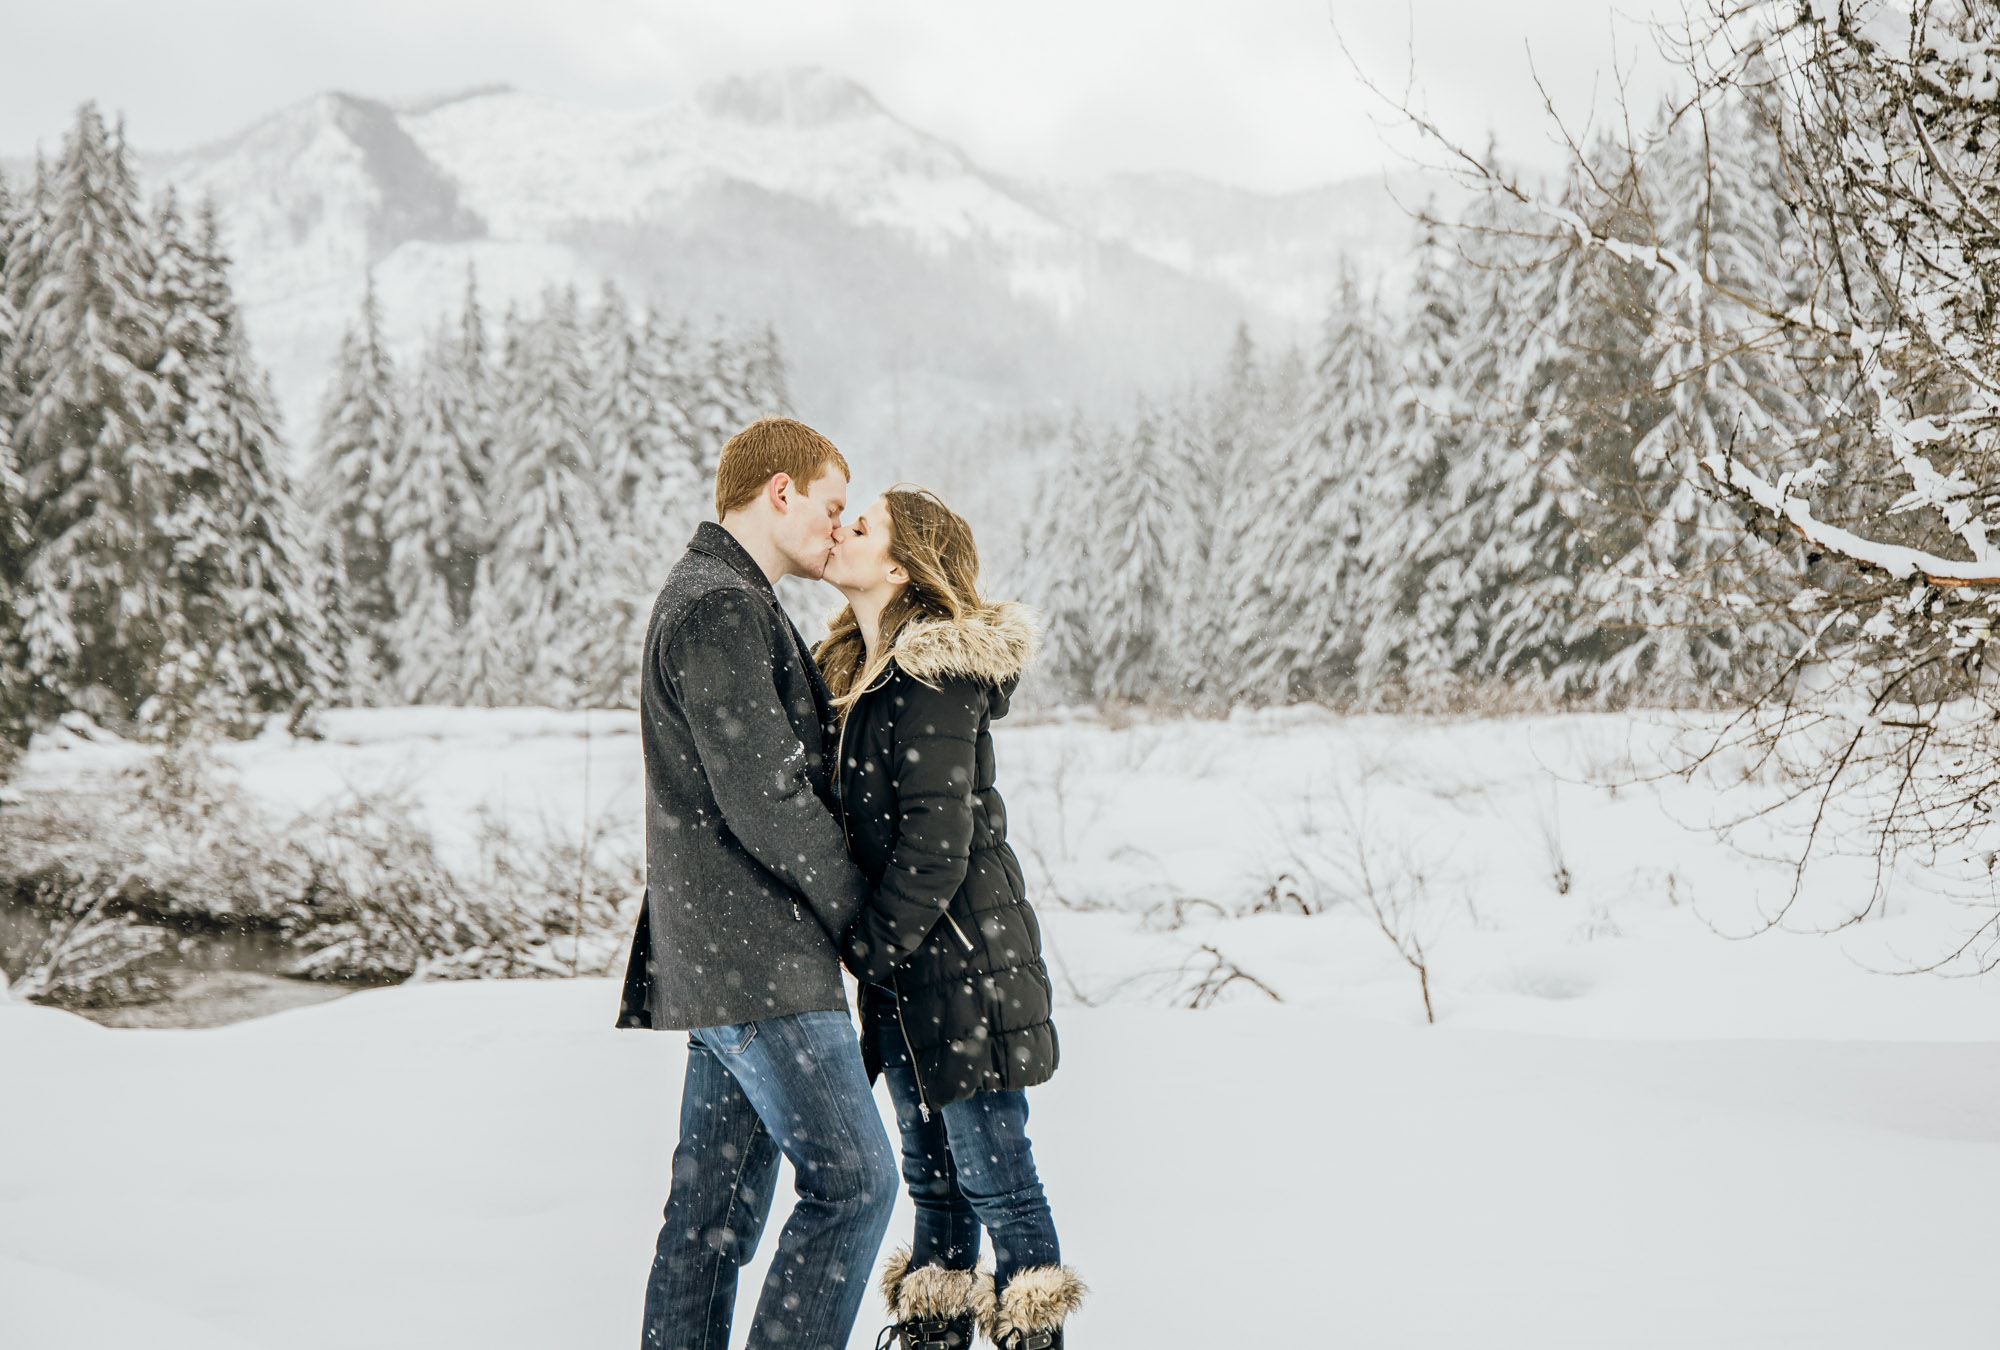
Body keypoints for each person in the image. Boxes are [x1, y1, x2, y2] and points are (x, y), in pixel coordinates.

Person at [617, 418, 897, 1350]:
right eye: (828, 507)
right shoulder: (719, 607)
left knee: (711, 1219)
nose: (835, 528)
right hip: (758, 958)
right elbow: (767, 797)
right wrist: (866, 915)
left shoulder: (725, 595)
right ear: (778, 493)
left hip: (728, 955)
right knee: (856, 1184)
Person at [817, 487, 1086, 1350]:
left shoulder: (932, 674)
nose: (839, 530)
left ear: (898, 566)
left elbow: (937, 843)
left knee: (998, 1181)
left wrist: (867, 946)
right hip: (912, 974)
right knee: (933, 1185)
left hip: (965, 967)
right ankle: (934, 1333)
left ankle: (1032, 1332)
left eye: (859, 526)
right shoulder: (858, 669)